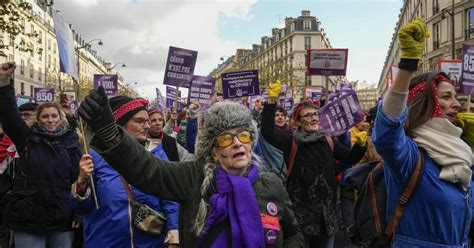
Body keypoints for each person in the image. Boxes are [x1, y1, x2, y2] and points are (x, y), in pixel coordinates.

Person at [78, 87, 305, 247]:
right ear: (213, 150)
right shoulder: (192, 178)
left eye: (243, 136)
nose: (237, 143)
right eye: (226, 138)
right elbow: (148, 170)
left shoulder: (270, 184)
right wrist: (109, 131)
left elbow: (293, 232)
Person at [372, 19, 473, 246]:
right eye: (446, 97)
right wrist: (407, 63)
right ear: (424, 103)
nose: (456, 103)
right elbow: (386, 130)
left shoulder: (463, 153)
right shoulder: (408, 155)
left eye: (455, 96)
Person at [261, 83, 367, 248]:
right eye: (308, 115)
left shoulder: (328, 140)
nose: (313, 118)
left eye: (315, 114)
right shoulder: (291, 141)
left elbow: (350, 158)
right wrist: (271, 102)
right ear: (298, 122)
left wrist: (360, 145)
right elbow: (268, 132)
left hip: (327, 219)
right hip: (301, 219)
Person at [70, 96, 179, 247]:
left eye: (147, 121)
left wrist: (173, 237)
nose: (147, 126)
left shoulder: (157, 154)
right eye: (140, 121)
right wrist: (81, 182)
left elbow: (170, 199)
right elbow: (81, 208)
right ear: (121, 124)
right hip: (106, 242)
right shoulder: (95, 157)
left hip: (150, 243)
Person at [0, 62, 82, 248]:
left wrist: (79, 212)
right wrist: (4, 82)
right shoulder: (27, 138)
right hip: (29, 219)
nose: (50, 120)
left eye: (54, 116)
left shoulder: (71, 141)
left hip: (62, 218)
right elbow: (10, 115)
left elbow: (79, 180)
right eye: (45, 117)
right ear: (38, 119)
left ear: (61, 119)